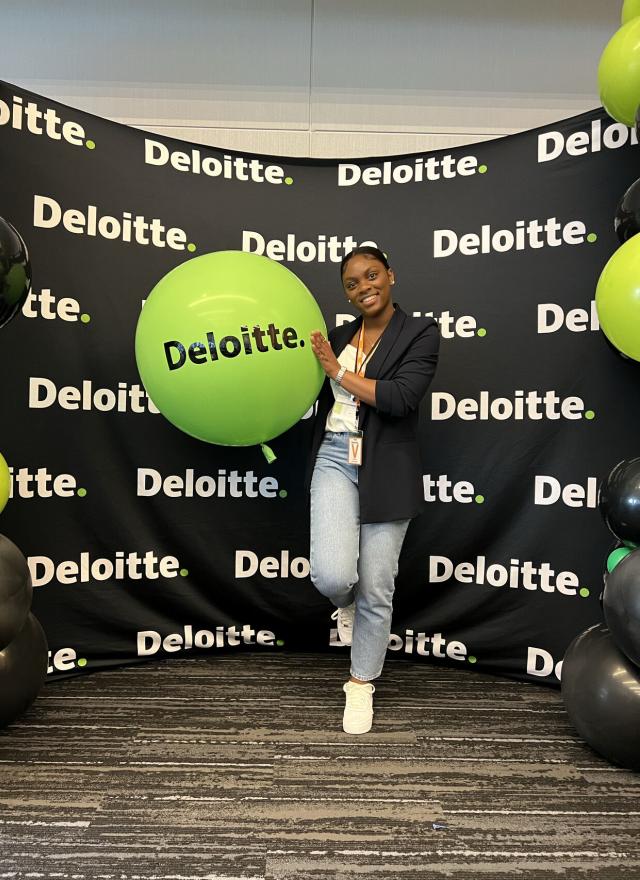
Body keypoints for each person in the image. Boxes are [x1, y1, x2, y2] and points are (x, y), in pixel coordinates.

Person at [308, 246, 440, 735]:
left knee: (377, 586)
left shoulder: (420, 332)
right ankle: (345, 605)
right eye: (352, 283)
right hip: (335, 455)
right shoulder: (340, 337)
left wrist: (338, 372)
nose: (364, 287)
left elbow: (401, 398)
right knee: (333, 575)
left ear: (390, 275)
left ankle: (360, 683)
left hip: (388, 464)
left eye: (371, 275)